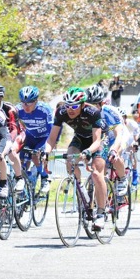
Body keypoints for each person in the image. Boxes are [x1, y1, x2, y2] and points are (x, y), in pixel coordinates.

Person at [43, 87, 107, 231]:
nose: (70, 109)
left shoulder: (93, 112)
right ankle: (82, 191)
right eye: (67, 105)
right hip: (79, 138)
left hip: (98, 140)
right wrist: (45, 152)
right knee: (70, 160)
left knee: (97, 172)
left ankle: (101, 213)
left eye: (74, 106)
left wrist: (88, 152)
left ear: (83, 105)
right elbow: (52, 138)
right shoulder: (61, 112)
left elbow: (97, 141)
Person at [14, 85, 53, 194]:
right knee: (19, 159)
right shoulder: (17, 109)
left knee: (36, 156)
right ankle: (24, 183)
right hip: (29, 137)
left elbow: (52, 131)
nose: (26, 106)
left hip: (44, 137)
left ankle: (45, 178)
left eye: (29, 102)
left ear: (36, 101)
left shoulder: (45, 109)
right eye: (23, 102)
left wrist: (49, 147)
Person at [0, 83, 25, 192]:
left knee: (11, 150)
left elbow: (14, 129)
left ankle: (19, 178)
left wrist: (8, 144)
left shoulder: (9, 109)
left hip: (17, 134)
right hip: (1, 136)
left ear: (0, 98)